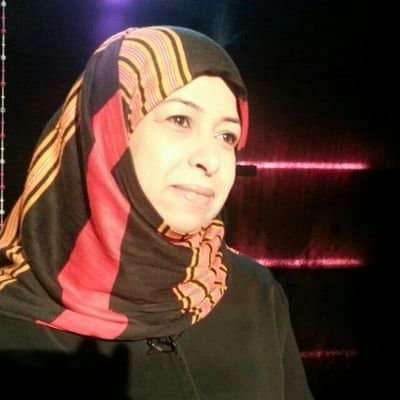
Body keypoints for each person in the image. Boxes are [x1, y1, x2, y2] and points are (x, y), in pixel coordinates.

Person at [0, 26, 314, 399]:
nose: (211, 160)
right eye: (180, 120)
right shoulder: (12, 324)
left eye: (227, 136)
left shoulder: (255, 293)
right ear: (107, 130)